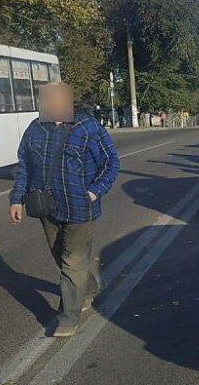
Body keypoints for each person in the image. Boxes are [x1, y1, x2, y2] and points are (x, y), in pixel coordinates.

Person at [8, 82, 120, 338]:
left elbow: (111, 162)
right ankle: (88, 286)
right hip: (47, 207)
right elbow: (25, 165)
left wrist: (93, 192)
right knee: (63, 259)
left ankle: (68, 317)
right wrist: (16, 199)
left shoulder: (87, 127)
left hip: (80, 208)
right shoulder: (35, 129)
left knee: (72, 262)